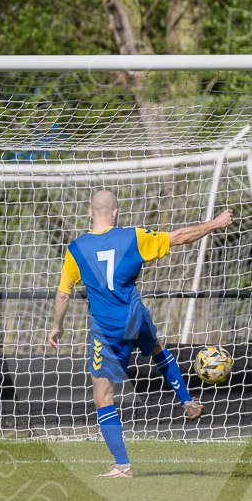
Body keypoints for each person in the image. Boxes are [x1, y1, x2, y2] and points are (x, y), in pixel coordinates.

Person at [47, 190, 232, 479]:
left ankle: (122, 465)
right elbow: (179, 236)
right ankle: (186, 400)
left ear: (89, 212)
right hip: (134, 316)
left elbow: (62, 295)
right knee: (157, 349)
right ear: (115, 212)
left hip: (107, 330)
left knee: (103, 396)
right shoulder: (133, 237)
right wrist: (215, 223)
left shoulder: (76, 249)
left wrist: (57, 326)